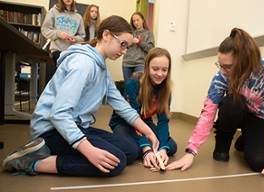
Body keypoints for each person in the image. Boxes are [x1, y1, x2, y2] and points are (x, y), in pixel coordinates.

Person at [0, 15, 159, 177]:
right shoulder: (83, 64)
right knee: (116, 162)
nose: (124, 51)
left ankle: (66, 152)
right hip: (51, 130)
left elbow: (122, 105)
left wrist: (148, 132)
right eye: (123, 44)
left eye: (127, 46)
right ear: (106, 35)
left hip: (76, 126)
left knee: (131, 150)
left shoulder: (102, 69)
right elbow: (59, 114)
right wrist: (89, 151)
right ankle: (35, 162)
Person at [167, 28, 264, 182]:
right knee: (232, 103)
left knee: (261, 163)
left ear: (245, 60)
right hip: (235, 111)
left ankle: (246, 139)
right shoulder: (221, 77)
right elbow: (208, 113)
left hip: (257, 117)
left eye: (228, 67)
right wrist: (190, 152)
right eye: (220, 65)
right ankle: (223, 143)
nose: (223, 71)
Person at [109, 47, 177, 168]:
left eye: (164, 70)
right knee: (133, 151)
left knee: (171, 147)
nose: (160, 74)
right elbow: (131, 119)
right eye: (155, 69)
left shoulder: (166, 90)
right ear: (147, 67)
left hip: (145, 123)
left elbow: (163, 121)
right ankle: (126, 140)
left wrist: (163, 150)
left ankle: (143, 144)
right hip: (124, 123)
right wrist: (146, 148)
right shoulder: (133, 84)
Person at [41, 0, 85, 66]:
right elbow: (45, 30)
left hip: (72, 52)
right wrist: (58, 34)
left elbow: (82, 37)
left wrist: (75, 39)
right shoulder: (53, 12)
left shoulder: (78, 17)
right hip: (57, 51)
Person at [122, 12, 155, 82]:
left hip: (140, 64)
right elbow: (123, 46)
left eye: (138, 20)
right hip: (127, 63)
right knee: (128, 87)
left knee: (139, 87)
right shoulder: (130, 33)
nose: (136, 23)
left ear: (143, 20)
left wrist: (138, 42)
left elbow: (151, 48)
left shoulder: (148, 33)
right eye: (134, 21)